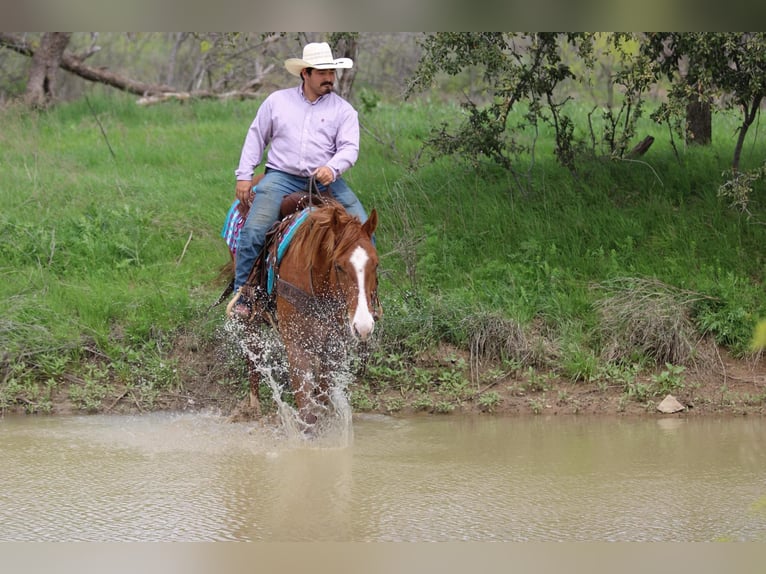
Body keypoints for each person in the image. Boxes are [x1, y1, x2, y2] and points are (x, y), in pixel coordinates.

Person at [230, 41, 368, 319]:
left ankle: (367, 297)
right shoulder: (277, 102)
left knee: (362, 229)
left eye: (331, 72)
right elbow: (256, 137)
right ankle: (244, 293)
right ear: (305, 73)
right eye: (322, 72)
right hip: (282, 176)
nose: (329, 78)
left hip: (326, 181)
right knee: (256, 229)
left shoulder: (343, 110)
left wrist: (333, 166)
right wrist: (244, 176)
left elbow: (349, 148)